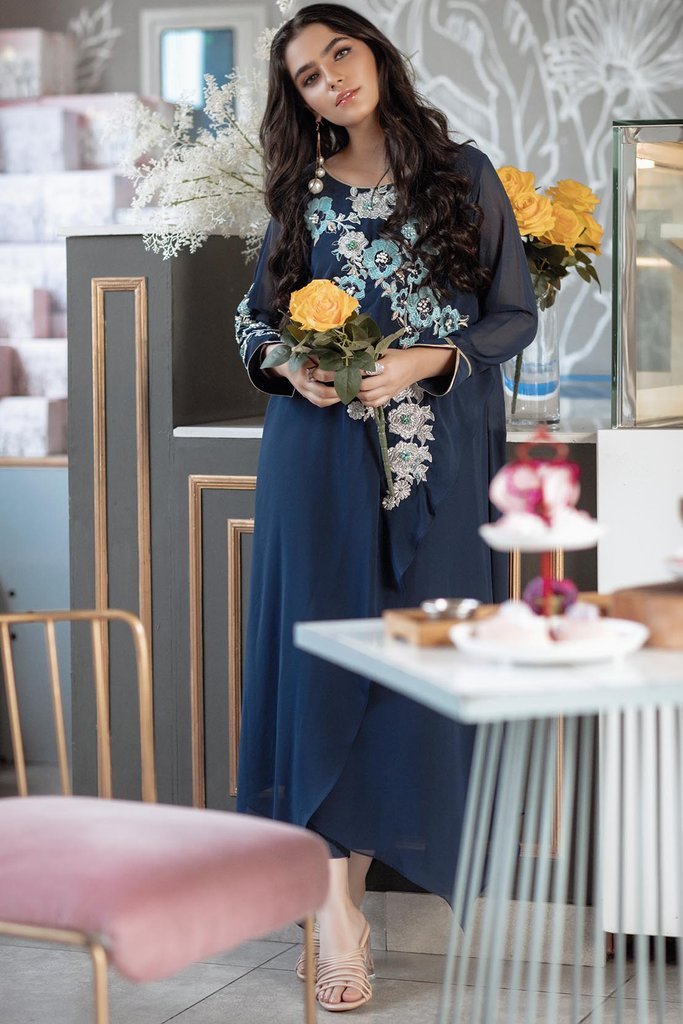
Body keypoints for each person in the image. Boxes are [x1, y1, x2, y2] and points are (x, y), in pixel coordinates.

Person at [235, 3, 536, 1012]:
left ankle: (357, 900)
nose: (332, 78)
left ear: (372, 54)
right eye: (308, 76)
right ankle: (334, 916)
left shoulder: (463, 175)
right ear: (302, 101)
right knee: (321, 668)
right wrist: (290, 368)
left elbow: (512, 316)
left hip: (438, 461)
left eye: (340, 53)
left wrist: (424, 359)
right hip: (316, 460)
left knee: (410, 675)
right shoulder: (301, 193)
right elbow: (254, 321)